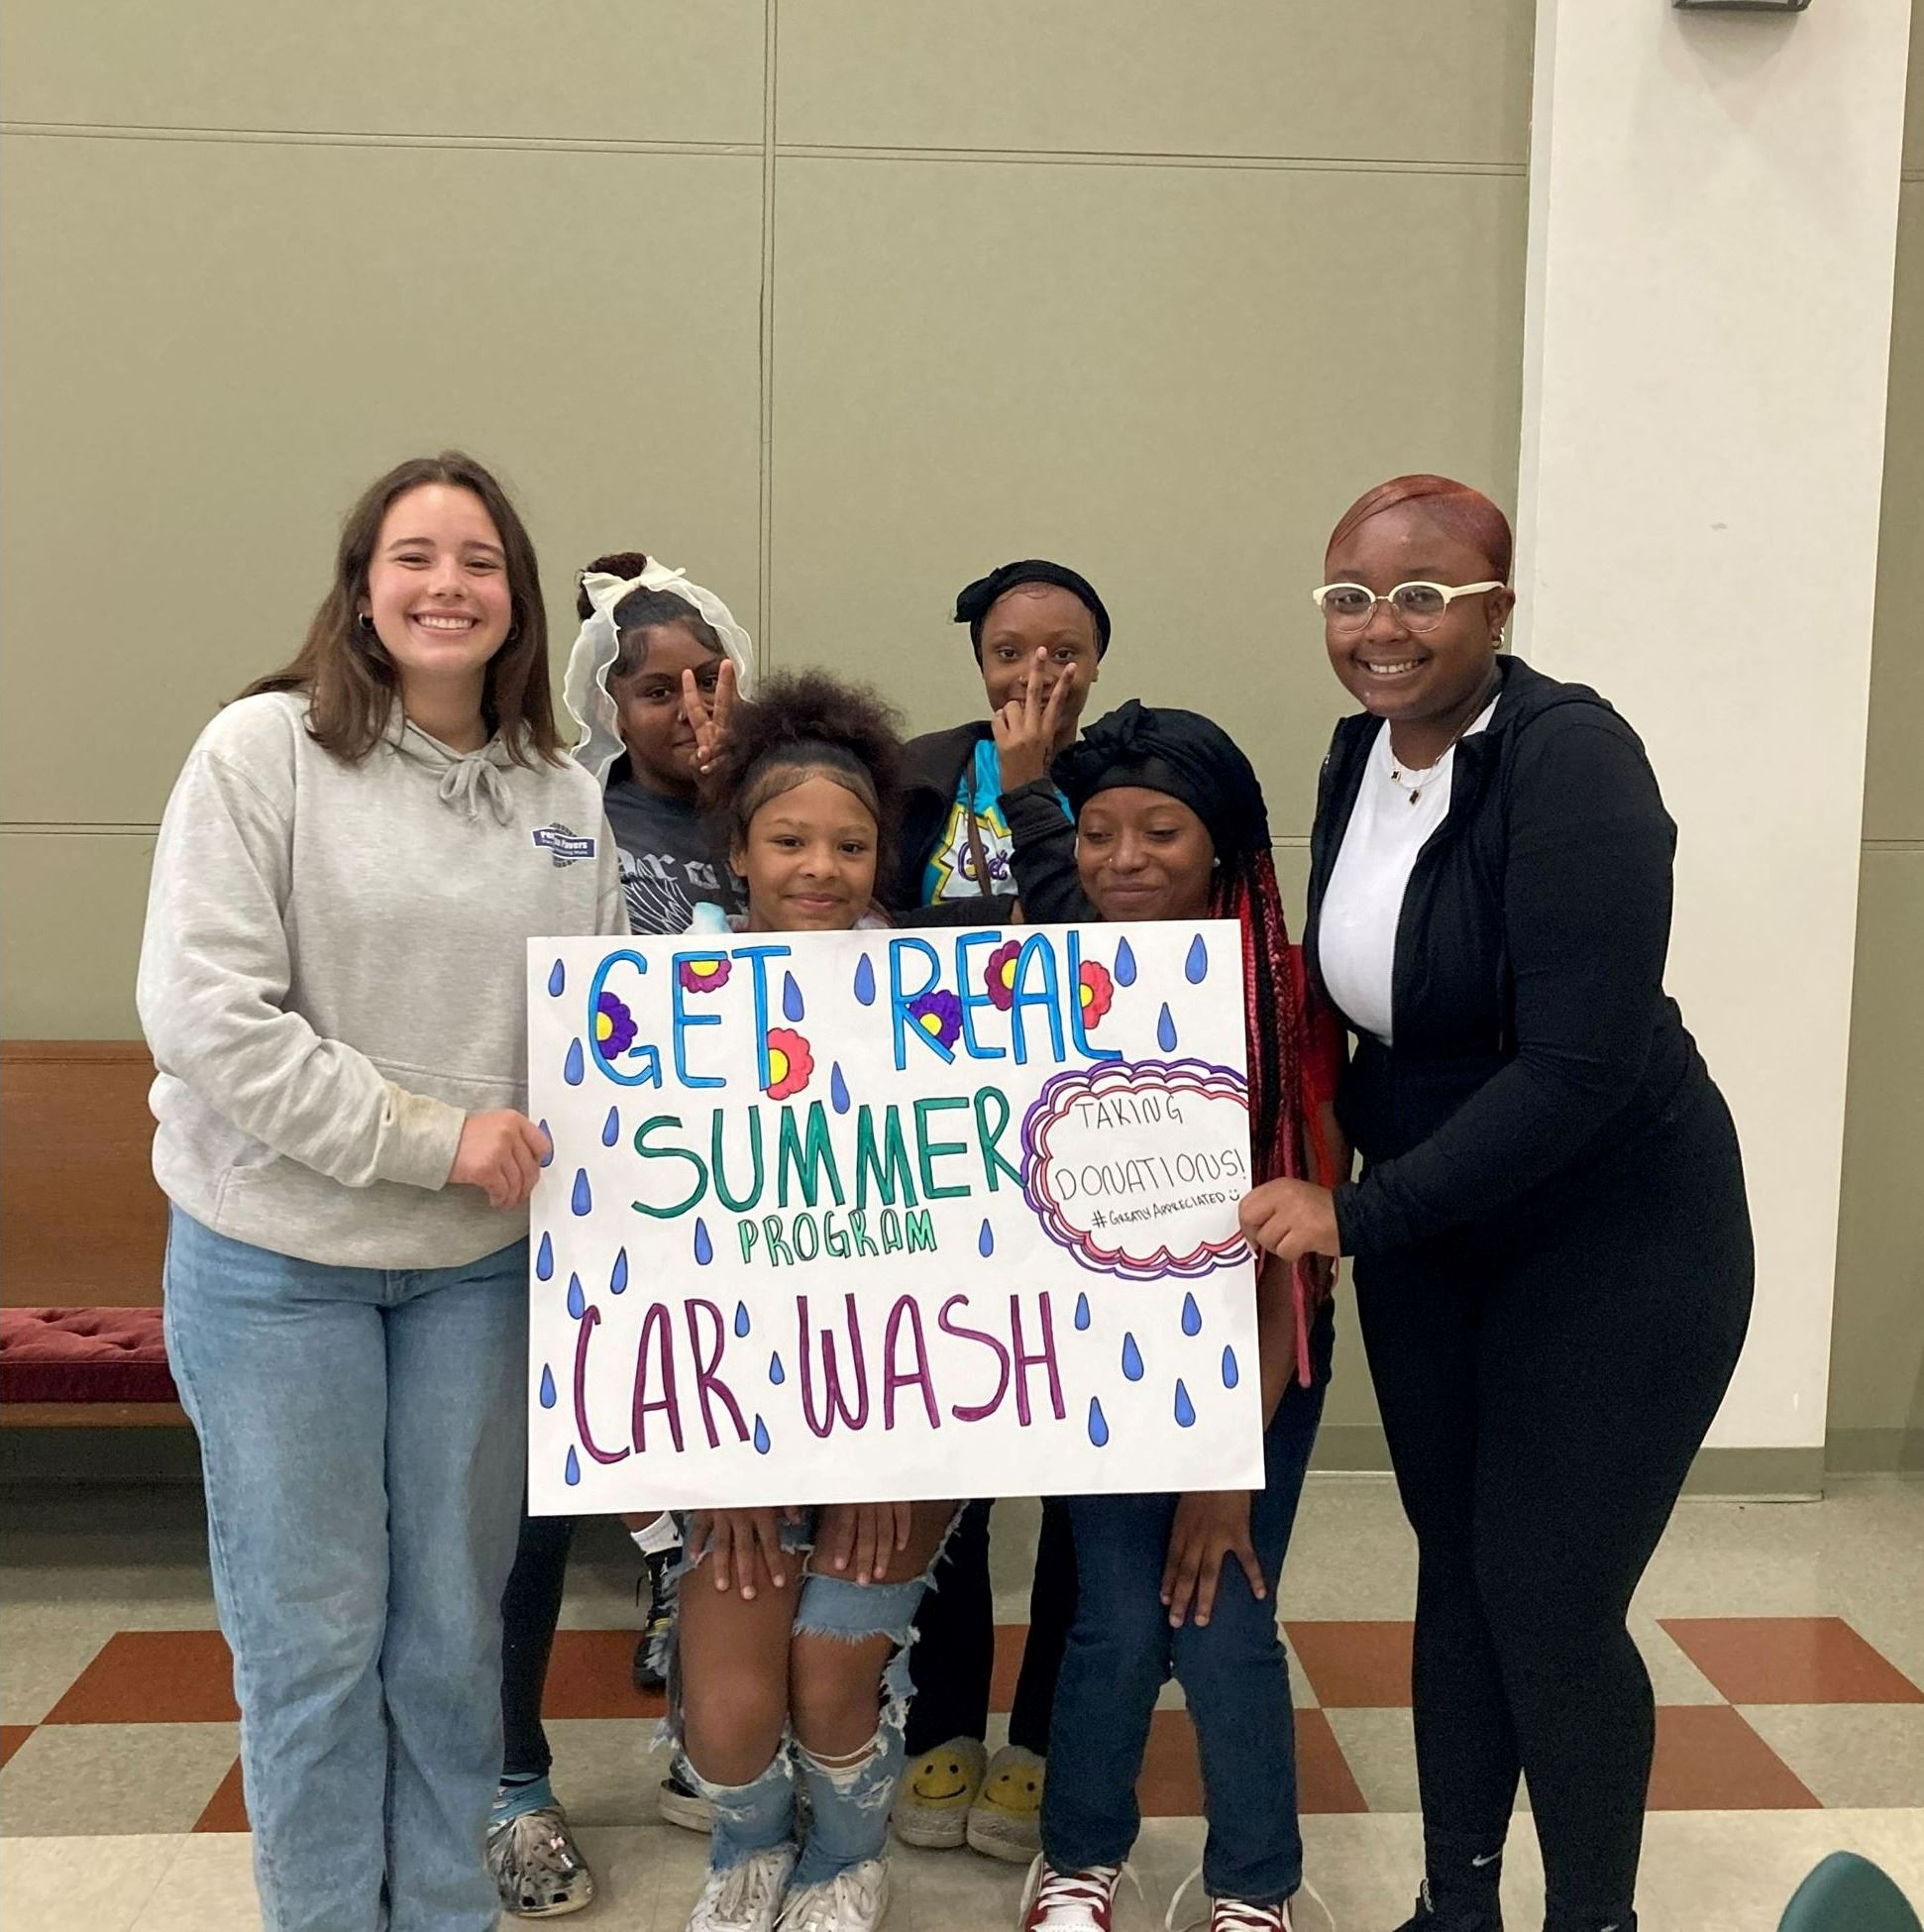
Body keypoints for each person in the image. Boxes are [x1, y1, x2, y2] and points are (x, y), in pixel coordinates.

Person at [1237, 476, 1755, 1932]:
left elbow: (1578, 1068)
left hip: (1614, 1233)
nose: (1378, 626)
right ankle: (1452, 1903)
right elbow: (1367, 1006)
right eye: (1348, 594)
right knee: (1458, 1575)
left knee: (1546, 1596)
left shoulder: (1573, 759)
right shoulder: (1360, 756)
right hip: (1438, 1234)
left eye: (1419, 593)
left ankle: (1592, 1916)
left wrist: (1359, 1212)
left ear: (1495, 609)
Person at [139, 452, 626, 1932]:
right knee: (315, 1639)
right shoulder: (258, 752)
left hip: (478, 1274)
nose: (447, 585)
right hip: (276, 1266)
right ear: (361, 587)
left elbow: (602, 1036)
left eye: (478, 560)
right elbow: (208, 1018)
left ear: (517, 600)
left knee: (445, 1642)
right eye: (414, 556)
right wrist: (433, 1136)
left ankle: (443, 1915)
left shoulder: (563, 794)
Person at [994, 698, 1345, 1932]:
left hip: (1261, 1357)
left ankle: (1256, 1885)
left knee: (1226, 1623)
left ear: (1222, 849)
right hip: (1103, 1361)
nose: (1124, 859)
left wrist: (1223, 1465)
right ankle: (1081, 1858)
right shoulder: (1047, 978)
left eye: (1160, 832)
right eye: (1097, 833)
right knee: (1112, 1629)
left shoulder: (1282, 995)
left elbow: (1300, 1253)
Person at [668, 670, 961, 1932]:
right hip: (730, 1418)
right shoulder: (654, 1003)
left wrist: (893, 1447)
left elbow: (971, 1247)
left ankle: (846, 1859)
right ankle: (750, 1844)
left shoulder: (944, 1005)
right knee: (731, 1710)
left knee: (834, 1683)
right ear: (735, 849)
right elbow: (642, 1249)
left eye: (850, 843)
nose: (820, 868)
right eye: (787, 839)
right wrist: (712, 1465)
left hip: (905, 1405)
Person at [487, 552, 755, 1915]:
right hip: (581, 1213)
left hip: (731, 1220)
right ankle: (511, 1779)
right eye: (654, 687)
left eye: (707, 680)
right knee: (532, 1511)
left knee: (724, 1498)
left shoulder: (773, 810)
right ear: (607, 696)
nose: (684, 707)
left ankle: (704, 1742)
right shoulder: (563, 816)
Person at [887, 559, 1107, 1863]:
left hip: (1079, 1169)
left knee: (1077, 1473)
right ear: (975, 656)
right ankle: (942, 1732)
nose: (1036, 670)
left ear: (1097, 661)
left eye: (1065, 648)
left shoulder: (1127, 774)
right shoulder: (916, 771)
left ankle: (1037, 1741)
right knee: (951, 1460)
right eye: (1011, 646)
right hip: (943, 1173)